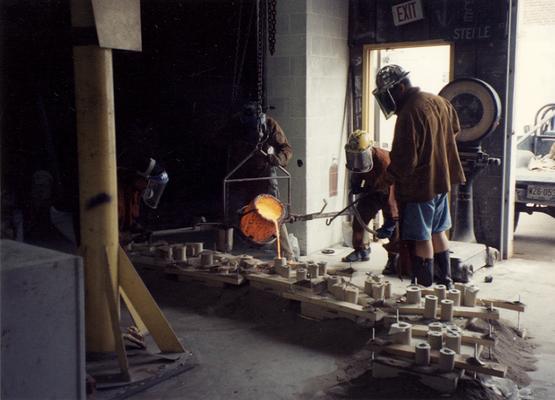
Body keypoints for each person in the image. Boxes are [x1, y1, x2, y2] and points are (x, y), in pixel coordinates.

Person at [373, 64, 466, 288]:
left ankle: (424, 291)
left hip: (420, 188)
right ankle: (446, 285)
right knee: (438, 232)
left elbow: (405, 161)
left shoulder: (408, 113)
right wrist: (434, 149)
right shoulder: (439, 101)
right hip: (441, 182)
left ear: (402, 87)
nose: (390, 100)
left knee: (421, 237)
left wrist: (384, 181)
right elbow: (455, 131)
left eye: (390, 94)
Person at [226, 101, 295, 259]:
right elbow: (220, 140)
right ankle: (225, 255)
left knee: (275, 213)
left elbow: (286, 148)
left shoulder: (270, 124)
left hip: (264, 172)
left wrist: (278, 158)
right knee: (231, 212)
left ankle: (289, 256)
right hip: (241, 173)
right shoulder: (236, 124)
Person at [341, 130, 399, 274]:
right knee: (359, 219)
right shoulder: (359, 157)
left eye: (359, 156)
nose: (357, 159)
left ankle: (394, 259)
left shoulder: (384, 160)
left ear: (369, 150)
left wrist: (391, 222)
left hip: (388, 193)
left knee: (394, 231)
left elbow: (393, 190)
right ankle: (361, 250)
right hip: (372, 191)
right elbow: (357, 171)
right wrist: (355, 183)